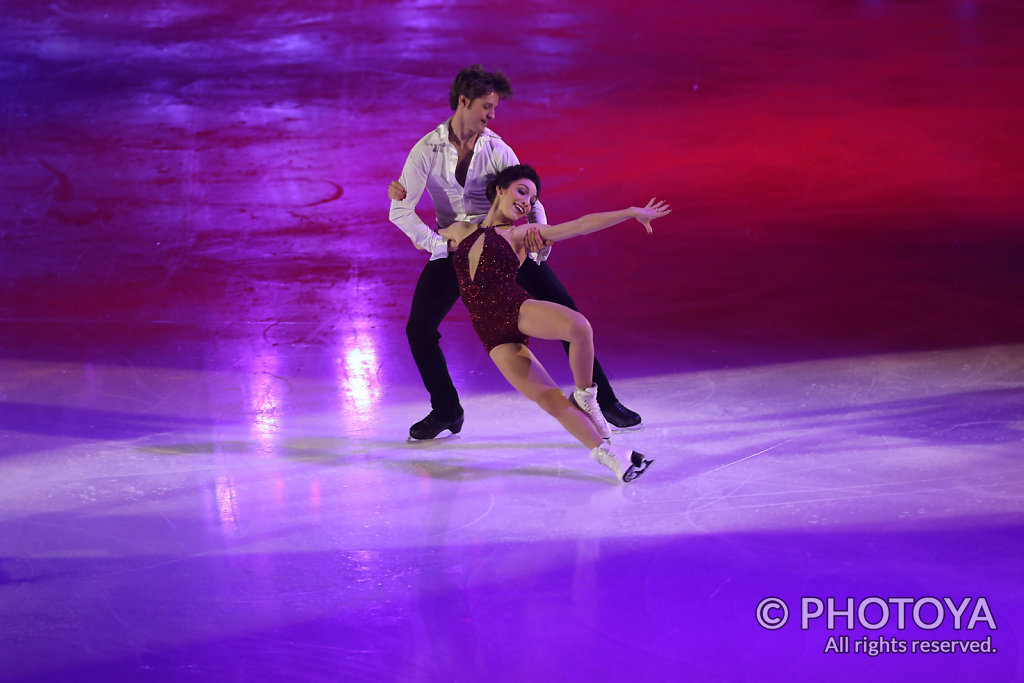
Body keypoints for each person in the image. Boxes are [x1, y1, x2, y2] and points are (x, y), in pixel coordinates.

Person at [389, 64, 643, 441]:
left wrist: (539, 242)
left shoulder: (497, 148)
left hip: (506, 243)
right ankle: (446, 409)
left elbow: (528, 196)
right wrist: (439, 243)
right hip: (460, 247)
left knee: (565, 312)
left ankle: (603, 401)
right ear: (464, 101)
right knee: (418, 329)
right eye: (487, 107)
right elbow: (399, 209)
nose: (492, 115)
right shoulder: (426, 150)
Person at [437, 164, 670, 482]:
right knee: (549, 399)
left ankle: (587, 397)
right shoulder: (461, 230)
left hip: (514, 308)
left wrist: (630, 211)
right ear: (500, 189)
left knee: (579, 327)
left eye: (532, 199)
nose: (527, 202)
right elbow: (424, 237)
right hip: (491, 334)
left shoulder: (520, 234)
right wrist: (400, 201)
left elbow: (580, 226)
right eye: (523, 191)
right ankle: (613, 457)